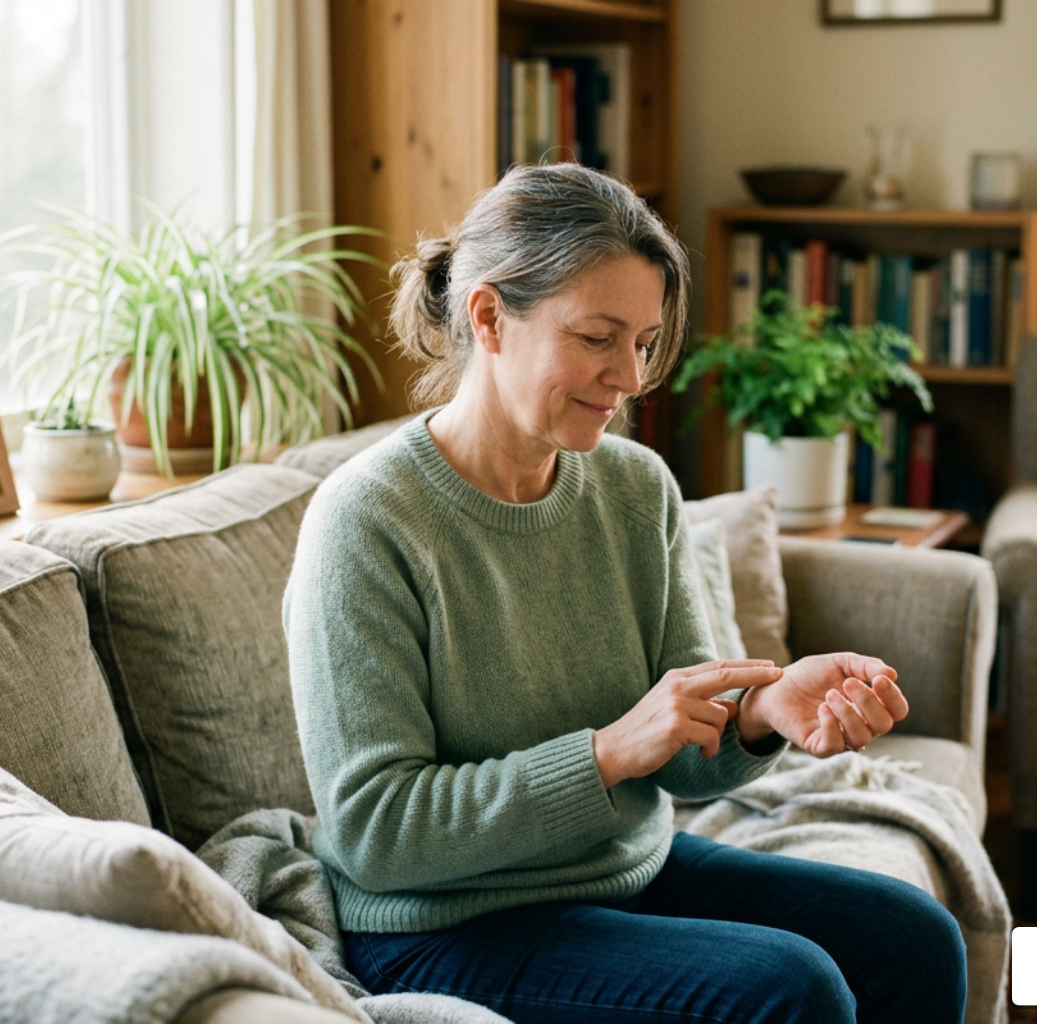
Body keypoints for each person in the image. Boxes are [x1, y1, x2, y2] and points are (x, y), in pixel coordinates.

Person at [284, 163, 968, 1024]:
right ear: (489, 316)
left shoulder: (636, 488)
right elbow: (375, 835)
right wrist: (606, 753)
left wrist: (762, 713)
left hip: (617, 868)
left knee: (915, 936)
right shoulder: (367, 521)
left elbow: (684, 757)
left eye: (642, 343)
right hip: (444, 922)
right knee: (791, 988)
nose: (632, 377)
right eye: (598, 338)